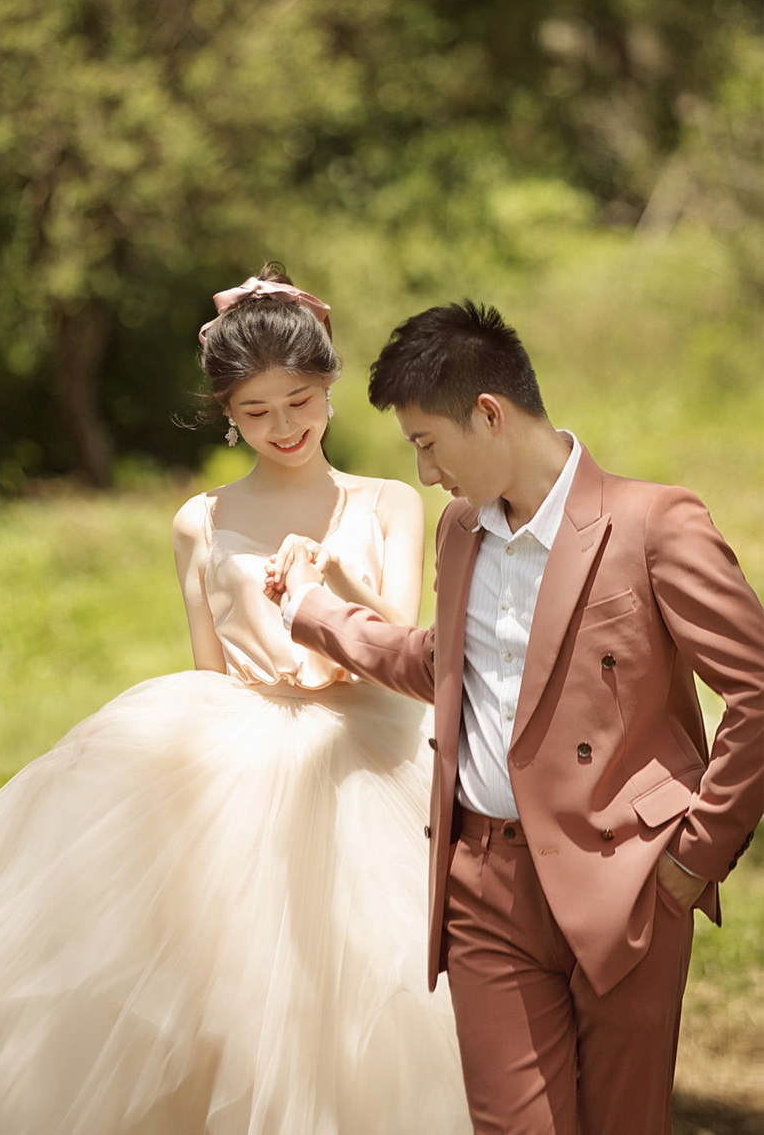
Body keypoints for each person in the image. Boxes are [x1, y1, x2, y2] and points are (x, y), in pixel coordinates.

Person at [0, 266, 471, 1135]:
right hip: (238, 744)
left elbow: (399, 644)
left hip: (368, 744)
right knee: (197, 977)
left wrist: (328, 577)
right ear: (227, 414)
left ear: (330, 388)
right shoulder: (200, 519)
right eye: (256, 411)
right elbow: (209, 670)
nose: (283, 427)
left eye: (299, 401)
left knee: (367, 978)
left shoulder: (387, 502)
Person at [267, 299, 763, 1135]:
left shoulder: (654, 523)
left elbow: (754, 690)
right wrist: (314, 613)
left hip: (627, 877)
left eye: (428, 443)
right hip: (482, 883)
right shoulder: (461, 530)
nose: (425, 472)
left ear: (489, 414)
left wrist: (694, 855)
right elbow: (441, 666)